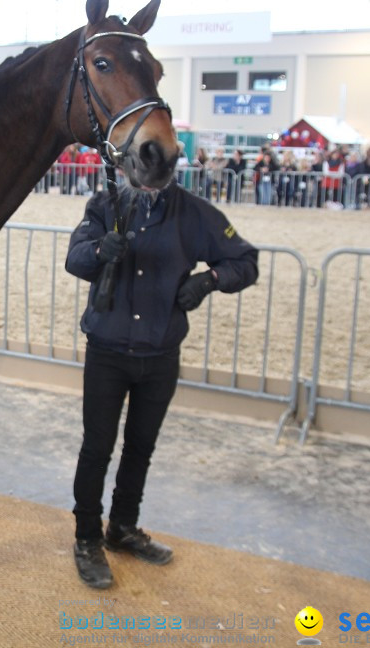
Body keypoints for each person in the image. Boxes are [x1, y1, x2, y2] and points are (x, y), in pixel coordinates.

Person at [64, 178, 259, 589]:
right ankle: (86, 538)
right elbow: (75, 261)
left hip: (160, 354)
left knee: (140, 448)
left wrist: (209, 281)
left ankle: (122, 527)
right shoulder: (104, 204)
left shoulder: (194, 212)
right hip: (108, 352)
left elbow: (245, 261)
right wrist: (101, 250)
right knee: (96, 447)